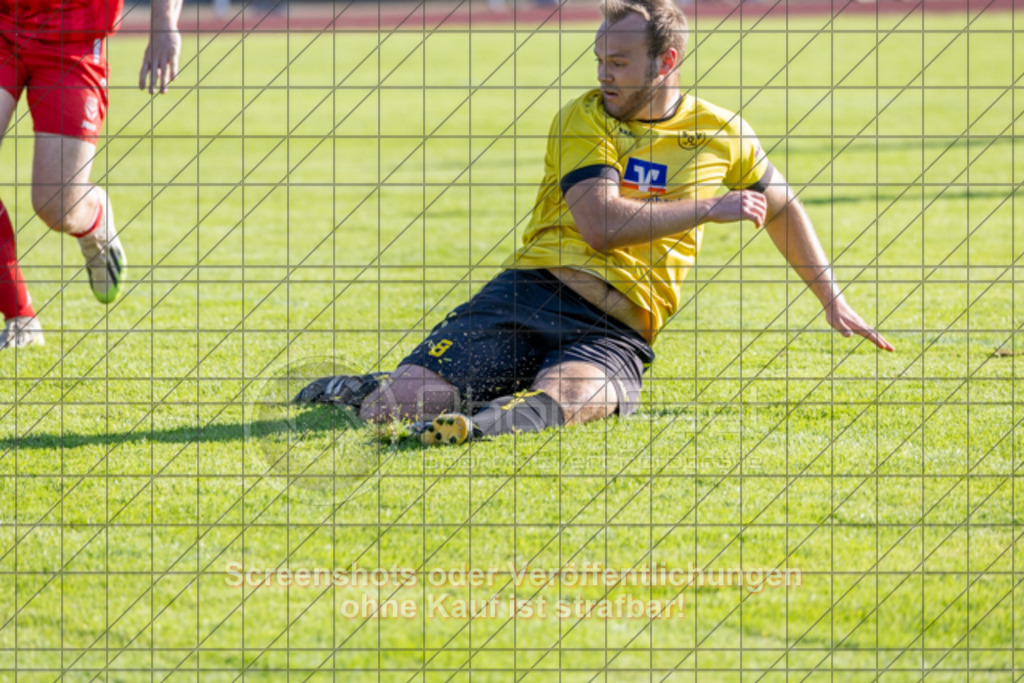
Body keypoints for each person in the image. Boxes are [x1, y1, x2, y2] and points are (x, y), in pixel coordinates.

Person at [295, 0, 894, 445]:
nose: (604, 74)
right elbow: (601, 224)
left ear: (667, 61)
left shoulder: (723, 132)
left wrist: (830, 299)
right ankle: (373, 388)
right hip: (532, 292)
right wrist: (710, 208)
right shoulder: (586, 119)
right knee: (394, 406)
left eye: (620, 62)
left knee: (575, 398)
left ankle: (469, 430)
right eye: (600, 59)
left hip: (615, 329)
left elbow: (783, 207)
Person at [0, 0, 183, 349]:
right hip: (3, 25)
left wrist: (164, 23)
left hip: (72, 38)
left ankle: (93, 217)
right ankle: (20, 315)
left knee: (56, 205)